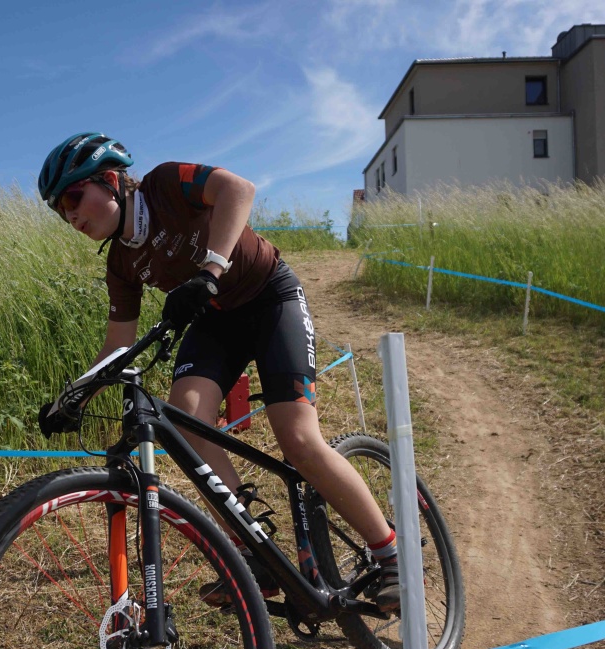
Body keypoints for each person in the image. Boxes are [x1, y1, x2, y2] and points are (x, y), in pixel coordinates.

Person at [36, 132, 401, 612]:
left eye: (72, 198)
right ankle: (256, 552)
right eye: (60, 211)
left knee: (298, 439)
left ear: (110, 180)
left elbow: (238, 189)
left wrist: (209, 271)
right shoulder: (121, 262)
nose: (70, 216)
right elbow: (118, 346)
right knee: (186, 421)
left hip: (270, 298)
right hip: (215, 320)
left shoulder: (165, 185)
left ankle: (390, 555)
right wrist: (74, 397)